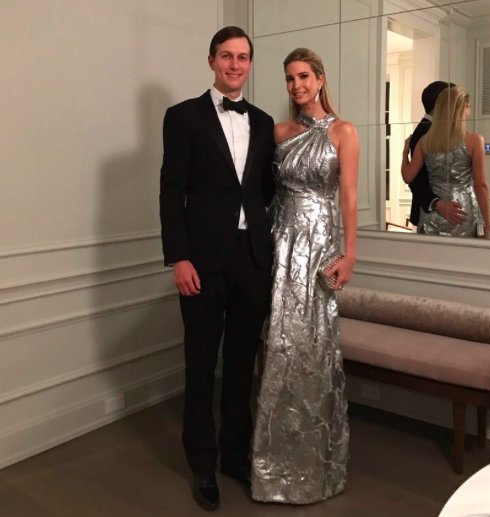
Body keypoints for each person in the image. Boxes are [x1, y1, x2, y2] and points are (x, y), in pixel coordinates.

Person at [159, 26, 275, 511]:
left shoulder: (264, 122)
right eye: (226, 56)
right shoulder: (183, 116)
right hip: (202, 262)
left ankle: (234, 455)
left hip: (253, 259)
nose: (234, 64)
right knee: (202, 364)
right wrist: (179, 256)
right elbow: (171, 191)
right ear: (211, 61)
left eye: (242, 57)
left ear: (250, 64)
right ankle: (202, 463)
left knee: (243, 364)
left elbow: (266, 189)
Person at [251, 48, 359, 504]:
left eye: (303, 77)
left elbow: (348, 197)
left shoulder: (343, 131)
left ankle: (313, 469)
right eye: (289, 79)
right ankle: (271, 469)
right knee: (276, 344)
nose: (296, 86)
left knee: (313, 347)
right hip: (278, 242)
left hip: (319, 249)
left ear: (320, 80)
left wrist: (349, 254)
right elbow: (259, 190)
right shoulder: (279, 132)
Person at [401, 86, 490, 238]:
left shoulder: (425, 141)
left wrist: (405, 154)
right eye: (468, 106)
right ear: (462, 108)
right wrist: (488, 223)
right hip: (462, 211)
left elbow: (407, 177)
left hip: (432, 215)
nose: (469, 110)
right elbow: (480, 185)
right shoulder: (475, 140)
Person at [408, 81, 468, 229]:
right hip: (432, 212)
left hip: (448, 212)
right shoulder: (425, 132)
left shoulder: (435, 129)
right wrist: (436, 203)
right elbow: (415, 179)